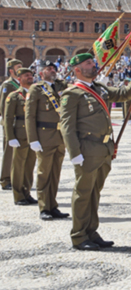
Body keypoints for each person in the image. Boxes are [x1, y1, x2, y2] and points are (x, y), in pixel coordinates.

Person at [59, 52, 131, 251]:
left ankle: (91, 231)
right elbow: (67, 126)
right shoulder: (72, 93)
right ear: (77, 69)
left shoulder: (99, 89)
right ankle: (79, 236)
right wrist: (74, 153)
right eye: (88, 63)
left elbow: (124, 94)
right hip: (87, 150)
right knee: (83, 193)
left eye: (92, 62)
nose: (94, 65)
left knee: (94, 193)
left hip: (104, 148)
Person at [24, 60, 69, 218]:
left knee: (55, 174)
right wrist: (33, 139)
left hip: (59, 137)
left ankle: (53, 205)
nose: (52, 70)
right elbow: (29, 116)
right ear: (41, 72)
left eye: (53, 68)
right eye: (48, 68)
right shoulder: (36, 89)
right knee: (44, 173)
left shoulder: (61, 87)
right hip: (44, 137)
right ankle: (44, 207)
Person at [5, 67, 38, 206]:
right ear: (19, 79)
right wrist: (10, 137)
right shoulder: (14, 96)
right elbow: (8, 118)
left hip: (33, 136)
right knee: (18, 166)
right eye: (26, 75)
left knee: (29, 166)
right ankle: (18, 195)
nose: (30, 77)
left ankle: (27, 192)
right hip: (20, 135)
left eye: (31, 75)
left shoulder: (35, 94)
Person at [1, 58, 22, 190]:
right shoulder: (8, 85)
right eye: (18, 67)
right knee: (9, 152)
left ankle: (15, 177)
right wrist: (7, 122)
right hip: (11, 122)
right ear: (11, 70)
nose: (20, 69)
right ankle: (5, 179)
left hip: (20, 123)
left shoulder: (19, 84)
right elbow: (3, 106)